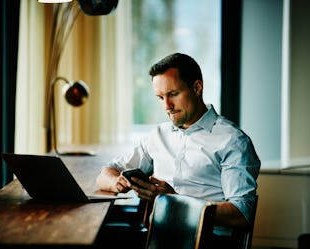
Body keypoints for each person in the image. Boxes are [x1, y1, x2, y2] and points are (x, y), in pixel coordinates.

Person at [96, 52, 261, 247]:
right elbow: (105, 173)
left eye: (173, 94)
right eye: (160, 97)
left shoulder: (232, 140)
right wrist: (117, 182)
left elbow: (241, 214)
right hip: (156, 237)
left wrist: (172, 201)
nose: (167, 106)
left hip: (209, 241)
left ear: (197, 87)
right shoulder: (158, 135)